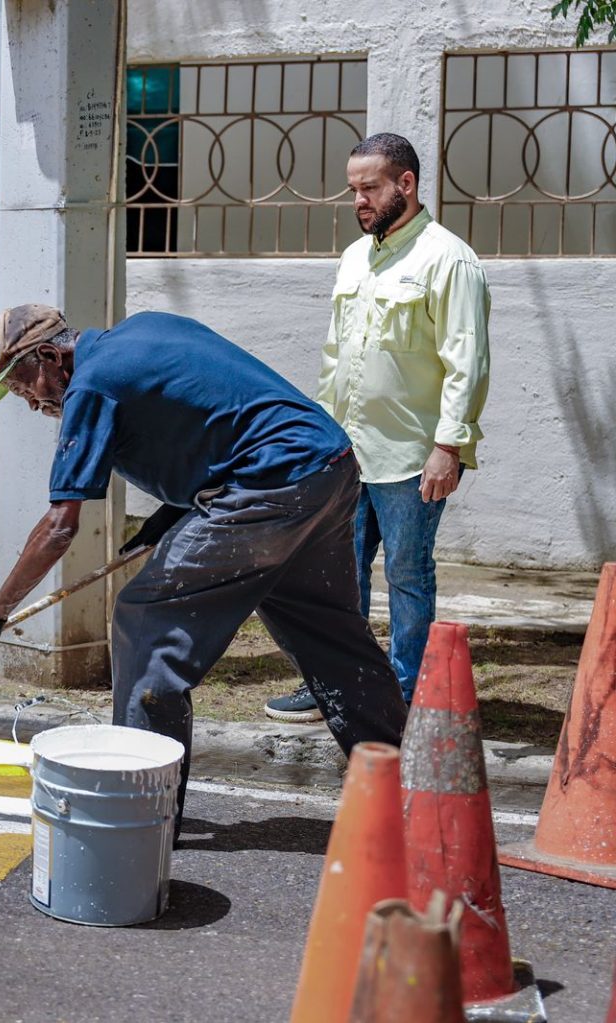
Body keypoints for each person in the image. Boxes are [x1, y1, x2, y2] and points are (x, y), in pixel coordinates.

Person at [0, 305, 408, 833]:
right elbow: (217, 419)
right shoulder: (146, 329)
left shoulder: (91, 385)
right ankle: (405, 787)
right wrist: (170, 517)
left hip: (269, 488)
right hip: (324, 467)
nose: (33, 403)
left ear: (50, 356)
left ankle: (141, 815)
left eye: (25, 387)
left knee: (146, 622)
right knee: (326, 632)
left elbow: (60, 525)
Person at [265, 132, 490, 722]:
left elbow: (467, 361)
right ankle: (338, 684)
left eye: (369, 188)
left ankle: (403, 692)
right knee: (338, 575)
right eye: (354, 190)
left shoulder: (448, 259)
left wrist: (450, 445)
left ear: (406, 184)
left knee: (408, 575)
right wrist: (317, 437)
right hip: (346, 450)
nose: (359, 201)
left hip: (413, 453)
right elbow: (336, 357)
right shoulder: (355, 258)